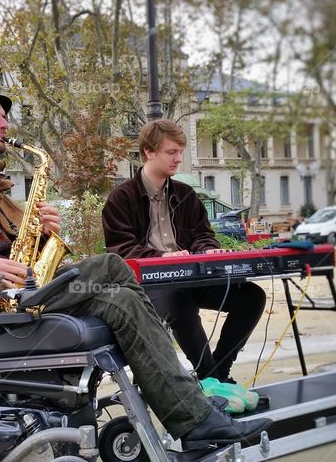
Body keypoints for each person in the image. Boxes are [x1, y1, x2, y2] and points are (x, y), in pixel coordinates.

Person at [0, 81, 270, 449]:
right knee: (113, 266)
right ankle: (197, 399)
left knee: (123, 300)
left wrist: (40, 236)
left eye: (4, 116)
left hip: (26, 296)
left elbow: (21, 259)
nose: (5, 124)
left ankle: (194, 421)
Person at [102, 119, 267, 385]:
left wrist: (209, 251)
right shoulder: (121, 198)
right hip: (147, 285)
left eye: (181, 152)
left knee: (252, 296)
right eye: (171, 152)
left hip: (189, 277)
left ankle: (219, 374)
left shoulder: (186, 194)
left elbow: (203, 234)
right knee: (179, 303)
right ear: (149, 152)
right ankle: (209, 378)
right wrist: (161, 258)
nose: (179, 159)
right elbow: (121, 249)